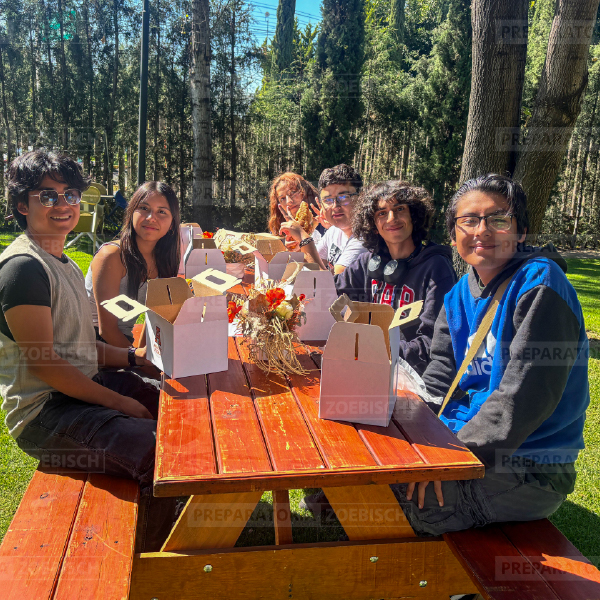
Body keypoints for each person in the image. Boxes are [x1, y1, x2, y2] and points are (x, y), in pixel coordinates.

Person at [392, 174, 589, 536]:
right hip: (459, 440)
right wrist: (411, 432)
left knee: (409, 499)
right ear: (454, 235)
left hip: (528, 465)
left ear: (521, 231)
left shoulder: (541, 286)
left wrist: (448, 461)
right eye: (469, 220)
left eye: (498, 219)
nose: (481, 230)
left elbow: (522, 400)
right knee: (367, 466)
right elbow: (439, 378)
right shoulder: (457, 295)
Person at [0, 150, 178, 551]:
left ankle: (177, 515)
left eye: (70, 194)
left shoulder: (61, 261)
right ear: (22, 205)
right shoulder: (23, 269)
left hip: (83, 387)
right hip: (45, 413)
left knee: (178, 414)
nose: (63, 204)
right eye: (48, 195)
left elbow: (81, 346)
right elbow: (46, 365)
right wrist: (121, 402)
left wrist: (135, 360)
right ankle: (151, 561)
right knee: (158, 451)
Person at [335, 180, 457, 376]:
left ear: (414, 216)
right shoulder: (368, 262)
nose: (392, 219)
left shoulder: (436, 267)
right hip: (365, 364)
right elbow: (332, 295)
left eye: (400, 209)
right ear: (374, 225)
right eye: (382, 213)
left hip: (409, 376)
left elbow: (433, 343)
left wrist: (374, 348)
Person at [85, 181, 181, 348]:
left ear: (172, 223)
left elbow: (155, 319)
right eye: (144, 208)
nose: (151, 218)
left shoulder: (163, 261)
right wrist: (137, 358)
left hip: (123, 344)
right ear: (131, 213)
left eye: (162, 212)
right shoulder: (112, 256)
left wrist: (146, 353)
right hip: (91, 345)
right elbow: (106, 330)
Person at [279, 164, 368, 274]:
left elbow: (331, 282)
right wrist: (297, 248)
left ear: (361, 198)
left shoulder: (364, 239)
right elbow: (313, 263)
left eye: (344, 197)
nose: (335, 206)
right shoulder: (334, 231)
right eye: (328, 200)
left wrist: (303, 238)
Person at [267, 172, 328, 246]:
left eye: (293, 192)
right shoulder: (278, 231)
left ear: (305, 193)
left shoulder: (325, 223)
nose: (289, 201)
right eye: (282, 198)